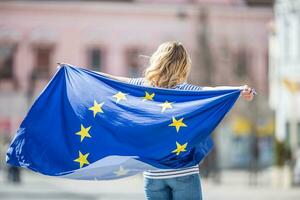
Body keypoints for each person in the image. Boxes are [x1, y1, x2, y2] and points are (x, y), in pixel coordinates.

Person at [96, 41, 255, 200]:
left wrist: (79, 72)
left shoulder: (142, 87)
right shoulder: (185, 91)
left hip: (153, 175)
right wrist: (239, 90)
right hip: (183, 173)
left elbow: (116, 80)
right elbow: (211, 91)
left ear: (157, 60)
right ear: (183, 66)